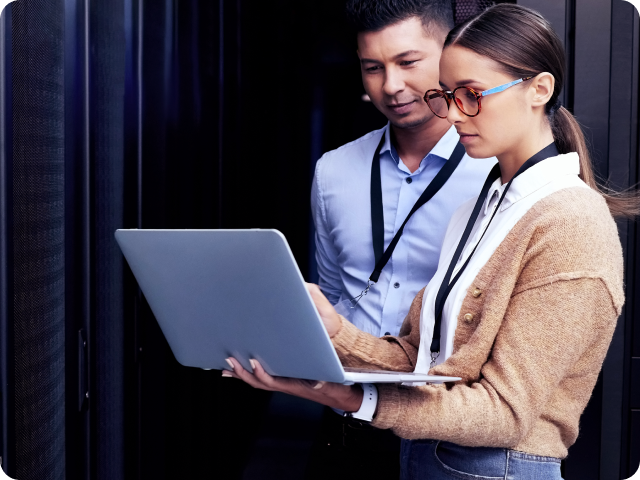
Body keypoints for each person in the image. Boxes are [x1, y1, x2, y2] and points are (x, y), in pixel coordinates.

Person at [223, 4, 638, 479]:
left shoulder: (571, 220)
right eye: (448, 95)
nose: (455, 114)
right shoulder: (483, 208)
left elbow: (503, 412)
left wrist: (349, 396)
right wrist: (332, 331)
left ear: (538, 90)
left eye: (472, 95)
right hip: (427, 458)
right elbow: (420, 360)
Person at [308, 0, 495, 476]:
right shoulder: (333, 171)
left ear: (452, 55)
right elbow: (330, 296)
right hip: (348, 421)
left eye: (408, 62)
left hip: (451, 432)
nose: (390, 86)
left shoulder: (497, 170)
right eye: (373, 67)